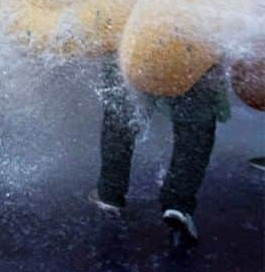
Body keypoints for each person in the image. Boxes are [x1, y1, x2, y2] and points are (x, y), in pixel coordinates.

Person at [89, 57, 230, 246]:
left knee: (121, 111)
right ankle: (179, 204)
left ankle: (109, 193)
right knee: (195, 120)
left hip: (133, 43)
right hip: (193, 45)